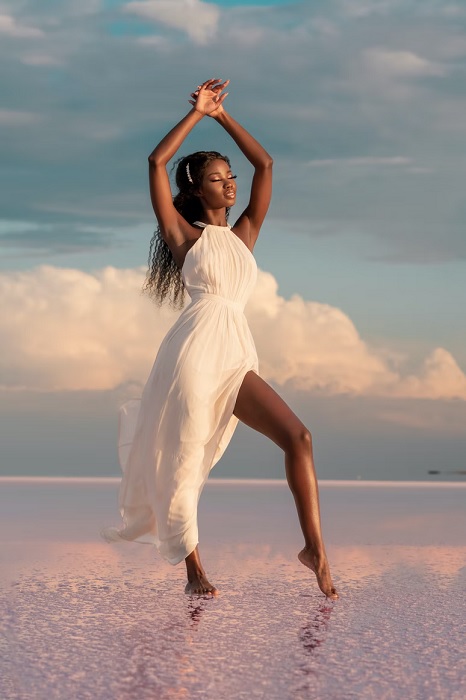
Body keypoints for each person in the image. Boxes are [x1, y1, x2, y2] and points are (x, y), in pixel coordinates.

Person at [103, 79, 338, 600]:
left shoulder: (245, 234)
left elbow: (267, 165)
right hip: (192, 354)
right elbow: (154, 163)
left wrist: (223, 116)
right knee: (184, 460)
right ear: (195, 191)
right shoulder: (184, 237)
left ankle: (314, 548)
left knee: (299, 437)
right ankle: (194, 572)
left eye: (229, 176)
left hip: (235, 354)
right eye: (216, 178)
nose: (230, 184)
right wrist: (195, 116)